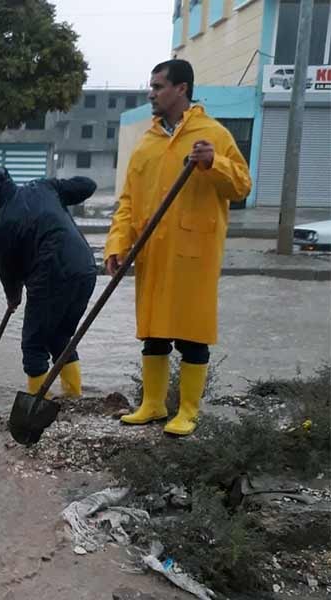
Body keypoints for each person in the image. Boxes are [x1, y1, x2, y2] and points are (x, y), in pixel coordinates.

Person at [105, 59, 251, 436]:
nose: (151, 93)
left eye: (158, 86)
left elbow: (241, 186)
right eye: (151, 86)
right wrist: (117, 244)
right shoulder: (146, 144)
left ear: (181, 88)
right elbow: (127, 202)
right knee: (153, 333)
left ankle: (188, 411)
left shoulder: (212, 135)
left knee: (191, 334)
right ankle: (152, 405)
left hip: (193, 252)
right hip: (152, 251)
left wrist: (213, 163)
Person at [0, 167, 98, 398]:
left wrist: (13, 297)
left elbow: (7, 270)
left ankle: (38, 404)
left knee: (33, 345)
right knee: (60, 337)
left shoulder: (1, 224)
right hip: (85, 270)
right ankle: (73, 396)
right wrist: (61, 188)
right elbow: (88, 186)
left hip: (51, 278)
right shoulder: (44, 187)